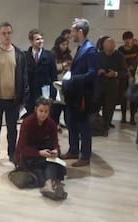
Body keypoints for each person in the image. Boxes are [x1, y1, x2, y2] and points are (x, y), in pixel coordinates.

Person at [0, 22, 29, 169]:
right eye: (4, 33)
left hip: (13, 100)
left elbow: (24, 77)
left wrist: (23, 98)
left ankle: (12, 154)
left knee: (12, 129)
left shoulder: (20, 54)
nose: (7, 36)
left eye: (9, 33)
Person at [60, 18, 98, 167]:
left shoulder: (90, 49)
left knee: (83, 126)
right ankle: (73, 150)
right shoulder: (81, 47)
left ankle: (85, 156)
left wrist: (73, 79)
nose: (71, 34)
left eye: (73, 31)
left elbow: (92, 73)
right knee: (71, 123)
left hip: (83, 95)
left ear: (80, 32)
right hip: (75, 93)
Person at [14, 97, 67, 200]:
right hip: (29, 155)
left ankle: (48, 186)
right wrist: (39, 153)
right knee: (48, 167)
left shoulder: (51, 123)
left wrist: (56, 150)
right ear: (36, 110)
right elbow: (21, 147)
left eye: (46, 111)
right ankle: (51, 184)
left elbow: (55, 142)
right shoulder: (27, 122)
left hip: (44, 154)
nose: (43, 114)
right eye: (41, 111)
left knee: (50, 163)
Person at [96, 36, 127, 129]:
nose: (108, 52)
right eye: (106, 50)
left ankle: (107, 123)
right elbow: (92, 68)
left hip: (112, 84)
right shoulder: (98, 55)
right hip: (99, 83)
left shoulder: (119, 56)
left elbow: (124, 71)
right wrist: (97, 71)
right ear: (103, 47)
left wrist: (115, 73)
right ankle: (97, 122)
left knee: (109, 106)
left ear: (114, 47)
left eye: (110, 50)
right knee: (96, 104)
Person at [25, 29, 57, 114]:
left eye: (42, 38)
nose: (40, 41)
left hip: (44, 95)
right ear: (31, 41)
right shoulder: (25, 56)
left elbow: (54, 77)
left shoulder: (49, 56)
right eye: (37, 39)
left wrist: (52, 95)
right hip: (30, 96)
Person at [118, 31, 138, 125]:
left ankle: (132, 117)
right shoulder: (120, 49)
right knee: (123, 97)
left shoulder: (136, 48)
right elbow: (120, 60)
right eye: (126, 39)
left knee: (133, 97)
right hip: (123, 75)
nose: (128, 41)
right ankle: (123, 116)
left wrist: (132, 67)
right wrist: (127, 68)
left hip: (134, 74)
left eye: (130, 38)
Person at [50, 36, 72, 131]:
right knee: (55, 108)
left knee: (66, 107)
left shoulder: (68, 55)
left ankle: (67, 125)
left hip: (66, 83)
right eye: (63, 44)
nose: (65, 46)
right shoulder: (53, 54)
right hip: (56, 84)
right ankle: (54, 125)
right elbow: (53, 69)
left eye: (66, 44)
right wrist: (63, 65)